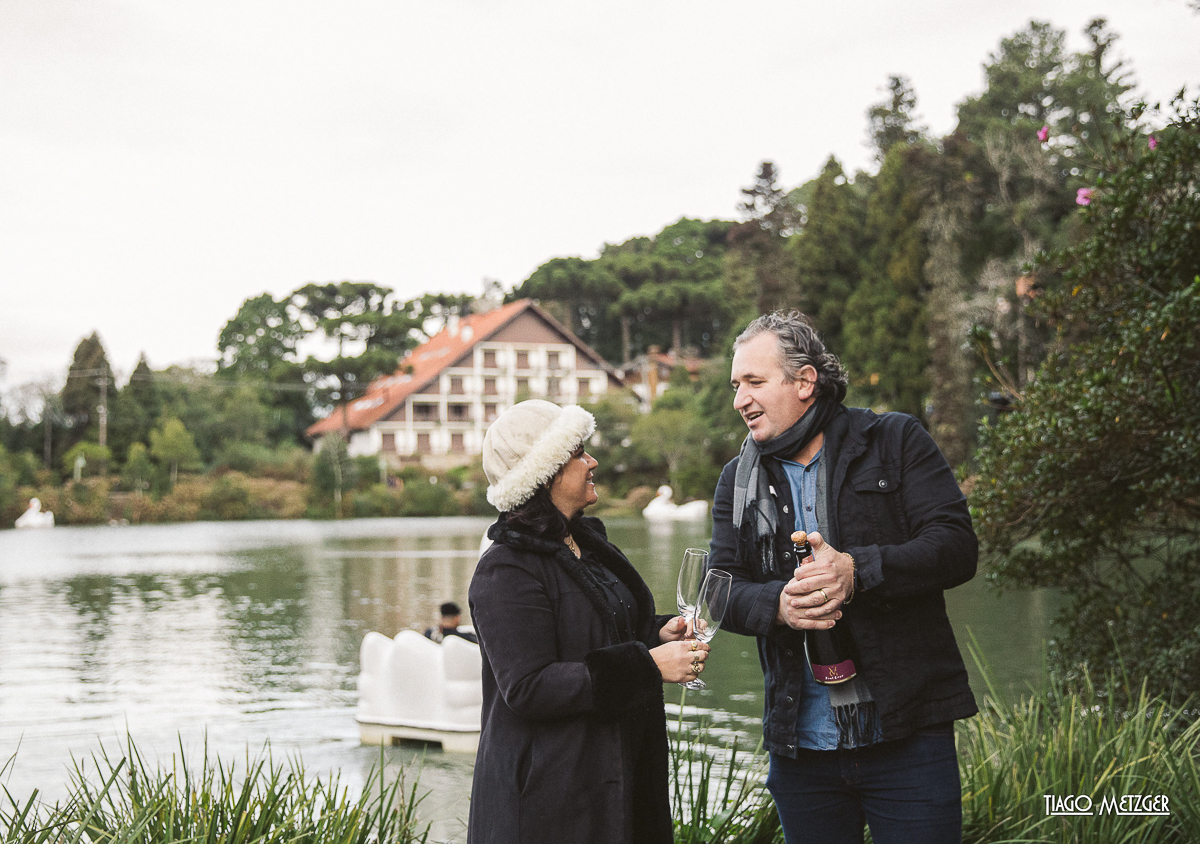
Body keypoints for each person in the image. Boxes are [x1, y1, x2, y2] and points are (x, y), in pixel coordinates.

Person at [709, 311, 978, 844]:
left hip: (908, 735)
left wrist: (856, 571)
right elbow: (718, 590)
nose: (740, 399)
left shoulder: (895, 440)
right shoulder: (736, 479)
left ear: (805, 381)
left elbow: (955, 547)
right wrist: (779, 606)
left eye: (754, 382)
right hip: (801, 748)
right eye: (736, 386)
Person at [468, 399, 706, 844]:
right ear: (546, 473)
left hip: (616, 776)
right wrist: (648, 666)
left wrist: (656, 632)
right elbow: (528, 686)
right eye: (578, 453)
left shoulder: (585, 544)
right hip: (550, 801)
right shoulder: (506, 569)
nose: (592, 461)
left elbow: (595, 631)